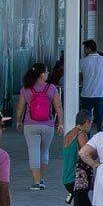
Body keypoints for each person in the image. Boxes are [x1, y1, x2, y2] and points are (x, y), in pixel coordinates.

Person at [17, 63, 64, 191]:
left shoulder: (26, 89)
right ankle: (40, 179)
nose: (48, 74)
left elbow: (20, 107)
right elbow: (58, 107)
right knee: (44, 151)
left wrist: (18, 121)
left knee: (33, 151)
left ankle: (36, 182)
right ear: (42, 74)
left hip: (30, 125)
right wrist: (60, 123)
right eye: (47, 72)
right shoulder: (51, 88)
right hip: (47, 125)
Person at [62, 110, 93, 206]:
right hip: (78, 180)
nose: (90, 125)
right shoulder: (81, 135)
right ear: (86, 122)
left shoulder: (68, 135)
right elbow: (88, 154)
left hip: (67, 179)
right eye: (90, 123)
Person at [79, 40, 103, 131]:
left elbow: (80, 78)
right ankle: (101, 139)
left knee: (86, 120)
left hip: (87, 94)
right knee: (101, 119)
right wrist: (102, 82)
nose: (84, 50)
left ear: (89, 49)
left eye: (85, 48)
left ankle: (86, 139)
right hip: (101, 94)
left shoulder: (82, 61)